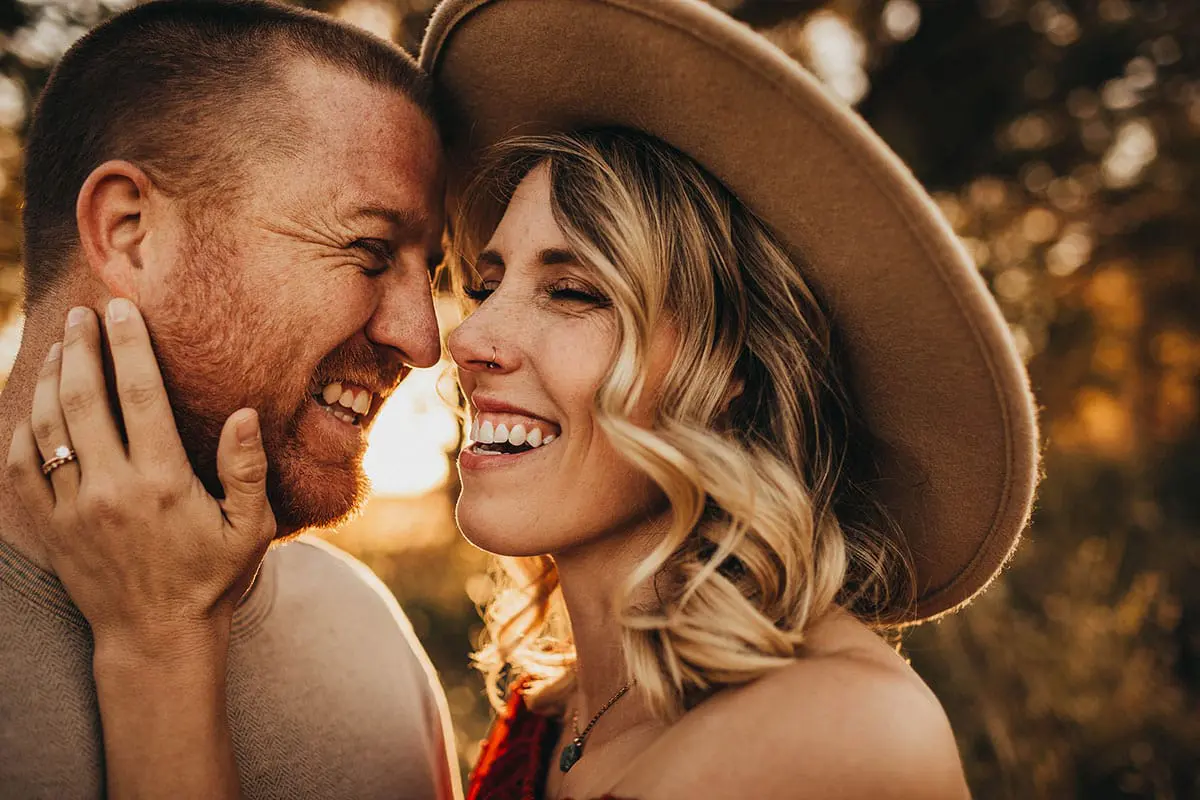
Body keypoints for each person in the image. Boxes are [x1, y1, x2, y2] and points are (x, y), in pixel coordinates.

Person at [7, 0, 1041, 798]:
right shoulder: (561, 709)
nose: (448, 340)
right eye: (485, 278)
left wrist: (159, 652)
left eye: (574, 292)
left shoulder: (836, 737)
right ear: (128, 230)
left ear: (735, 376)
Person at [0, 1, 462, 798]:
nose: (423, 341)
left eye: (435, 271)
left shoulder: (365, 633)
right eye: (369, 250)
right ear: (129, 231)